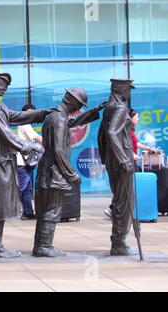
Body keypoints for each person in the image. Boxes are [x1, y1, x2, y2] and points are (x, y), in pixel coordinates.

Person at [0, 72, 48, 259]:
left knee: (0, 202)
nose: (5, 87)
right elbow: (3, 130)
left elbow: (14, 117)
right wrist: (27, 145)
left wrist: (41, 114)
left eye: (6, 84)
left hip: (1, 158)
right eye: (3, 83)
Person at [33, 88, 105, 257]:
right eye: (79, 105)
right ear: (72, 101)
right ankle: (44, 246)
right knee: (52, 210)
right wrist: (71, 174)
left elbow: (72, 122)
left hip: (46, 171)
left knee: (45, 211)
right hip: (54, 173)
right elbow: (59, 151)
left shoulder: (55, 116)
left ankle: (40, 246)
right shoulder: (59, 119)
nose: (78, 109)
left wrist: (94, 111)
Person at [98, 78, 136, 256]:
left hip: (113, 159)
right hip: (121, 160)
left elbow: (101, 135)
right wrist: (123, 159)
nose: (129, 93)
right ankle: (119, 242)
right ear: (122, 89)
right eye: (128, 89)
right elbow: (112, 133)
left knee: (119, 199)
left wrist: (106, 157)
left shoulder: (109, 107)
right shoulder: (120, 107)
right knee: (124, 200)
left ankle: (118, 240)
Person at [103, 108, 160, 218]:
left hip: (131, 161)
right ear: (130, 118)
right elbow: (123, 145)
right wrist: (132, 155)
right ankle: (113, 209)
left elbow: (136, 144)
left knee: (129, 187)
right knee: (126, 187)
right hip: (128, 161)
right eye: (136, 116)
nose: (138, 118)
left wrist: (149, 149)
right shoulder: (124, 130)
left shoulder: (131, 130)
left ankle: (119, 209)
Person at [16, 104, 43, 220]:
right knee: (22, 188)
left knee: (27, 189)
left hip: (27, 162)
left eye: (33, 113)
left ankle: (28, 212)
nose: (32, 115)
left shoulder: (27, 124)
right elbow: (38, 138)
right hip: (22, 162)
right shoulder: (24, 124)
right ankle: (10, 209)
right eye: (29, 113)